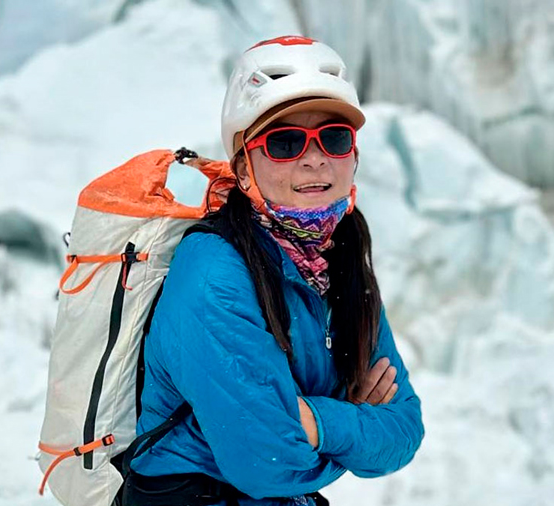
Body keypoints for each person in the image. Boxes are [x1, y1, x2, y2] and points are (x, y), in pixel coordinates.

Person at [122, 35, 424, 506]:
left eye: (335, 137)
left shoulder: (339, 259)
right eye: (285, 142)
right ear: (243, 170)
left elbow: (405, 427)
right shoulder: (214, 275)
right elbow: (269, 462)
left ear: (355, 156)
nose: (315, 157)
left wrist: (315, 421)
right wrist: (351, 418)